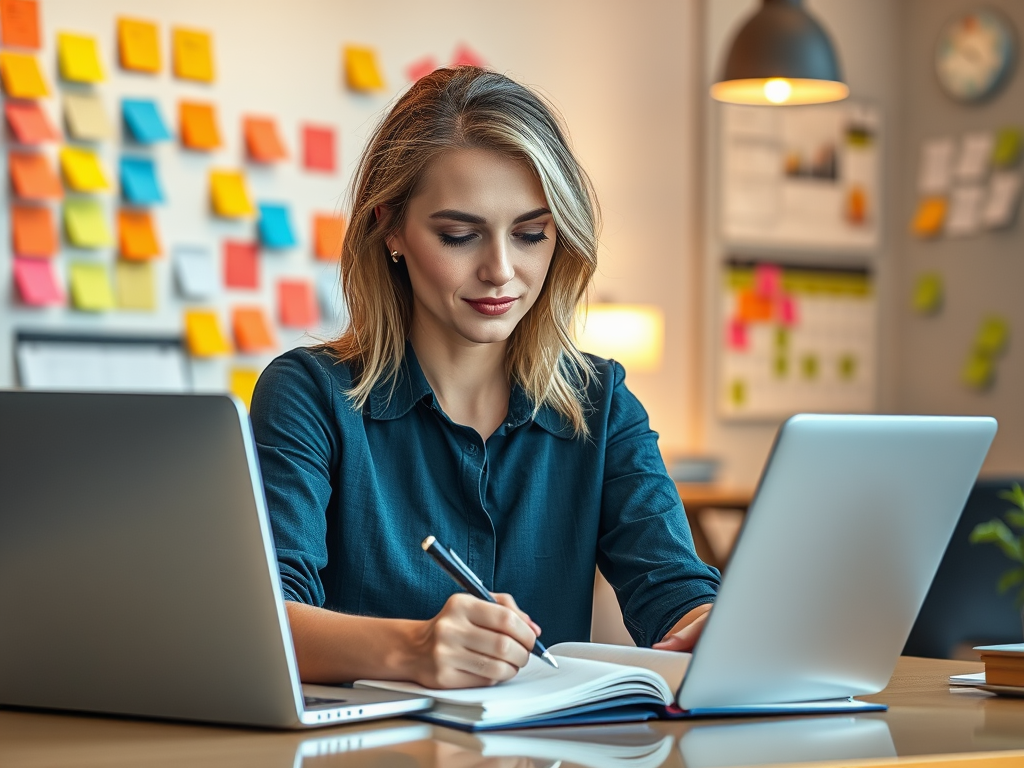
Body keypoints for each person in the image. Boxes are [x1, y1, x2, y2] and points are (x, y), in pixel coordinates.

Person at [250, 67, 720, 689]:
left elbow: (673, 589)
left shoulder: (602, 404)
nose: (501, 270)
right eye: (460, 235)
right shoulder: (309, 395)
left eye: (530, 234)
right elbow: (266, 620)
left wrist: (712, 625)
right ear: (390, 227)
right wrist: (413, 648)